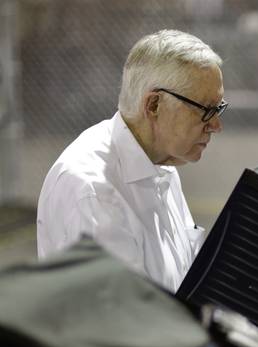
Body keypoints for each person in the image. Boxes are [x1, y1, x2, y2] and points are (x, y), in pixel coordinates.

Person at [36, 29, 226, 292]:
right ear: (154, 105)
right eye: (206, 110)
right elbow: (123, 325)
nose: (216, 125)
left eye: (219, 108)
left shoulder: (161, 163)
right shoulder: (93, 192)